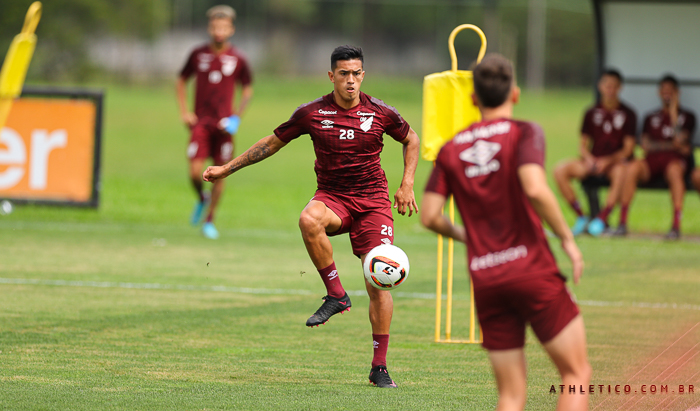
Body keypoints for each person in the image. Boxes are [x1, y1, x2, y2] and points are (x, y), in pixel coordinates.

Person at [203, 45, 420, 388]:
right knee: (308, 219)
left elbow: (412, 139)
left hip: (372, 203)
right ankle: (336, 294)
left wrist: (407, 183)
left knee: (377, 280)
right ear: (331, 76)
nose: (351, 81)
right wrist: (227, 169)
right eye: (344, 74)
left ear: (364, 75)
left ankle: (380, 367)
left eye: (357, 74)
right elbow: (270, 144)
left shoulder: (380, 113)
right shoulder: (312, 113)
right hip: (333, 197)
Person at [421, 54, 590, 411]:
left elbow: (430, 216)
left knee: (511, 395)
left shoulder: (451, 150)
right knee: (575, 375)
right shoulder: (524, 132)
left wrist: (467, 236)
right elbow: (535, 187)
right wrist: (568, 239)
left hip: (486, 278)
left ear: (472, 99)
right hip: (531, 270)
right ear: (515, 94)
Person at [176, 5, 253, 239]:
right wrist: (185, 111)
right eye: (215, 26)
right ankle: (202, 197)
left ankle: (209, 221)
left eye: (223, 26)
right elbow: (181, 79)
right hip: (201, 123)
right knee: (194, 172)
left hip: (224, 126)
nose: (219, 30)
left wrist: (236, 117)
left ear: (231, 29)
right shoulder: (198, 54)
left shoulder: (238, 58)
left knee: (221, 172)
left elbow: (247, 88)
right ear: (210, 28)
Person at [553, 69, 636, 236]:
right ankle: (582, 217)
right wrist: (589, 159)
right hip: (593, 162)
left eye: (614, 86)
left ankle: (602, 219)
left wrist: (607, 161)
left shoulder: (628, 114)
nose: (610, 90)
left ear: (620, 88)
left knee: (622, 171)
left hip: (614, 164)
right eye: (607, 86)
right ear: (600, 86)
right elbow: (582, 146)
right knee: (560, 170)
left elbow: (628, 150)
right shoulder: (591, 112)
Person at [611, 74, 696, 239]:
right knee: (632, 167)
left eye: (671, 91)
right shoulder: (650, 117)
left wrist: (673, 114)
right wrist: (672, 145)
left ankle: (676, 226)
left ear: (677, 93)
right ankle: (622, 223)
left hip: (674, 162)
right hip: (652, 162)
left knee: (674, 171)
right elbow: (645, 145)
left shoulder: (687, 117)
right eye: (664, 90)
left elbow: (681, 141)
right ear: (659, 92)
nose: (667, 94)